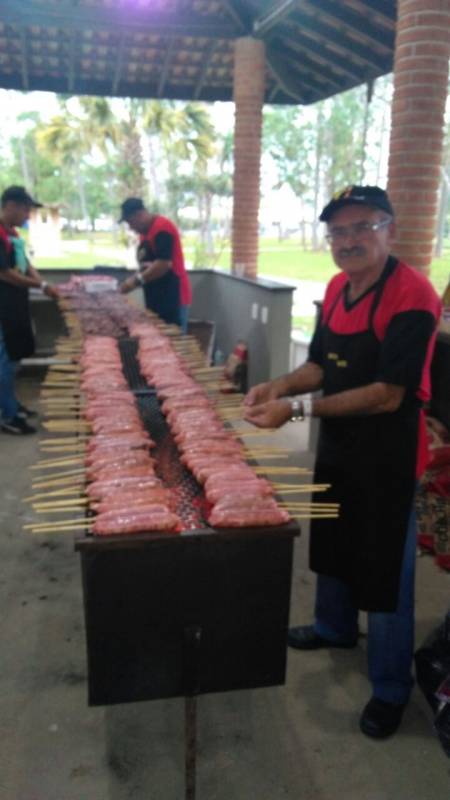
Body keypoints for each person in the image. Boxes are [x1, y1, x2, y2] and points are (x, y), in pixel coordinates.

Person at [244, 185, 441, 739]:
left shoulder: (413, 295)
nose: (349, 241)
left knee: (384, 569)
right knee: (332, 539)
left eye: (363, 227)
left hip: (389, 452)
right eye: (339, 231)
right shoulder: (336, 287)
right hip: (341, 444)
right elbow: (317, 366)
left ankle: (389, 687)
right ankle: (333, 627)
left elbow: (388, 394)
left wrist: (297, 411)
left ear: (390, 231)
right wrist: (278, 385)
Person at [0, 185, 59, 435]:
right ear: (11, 206)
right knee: (3, 361)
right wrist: (42, 285)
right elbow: (6, 274)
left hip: (14, 306)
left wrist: (43, 284)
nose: (28, 215)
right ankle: (8, 415)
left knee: (13, 360)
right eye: (25, 209)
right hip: (2, 309)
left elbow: (26, 265)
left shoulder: (12, 234)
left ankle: (12, 404)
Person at [118, 197, 192, 332]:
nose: (130, 227)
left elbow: (163, 264)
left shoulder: (162, 228)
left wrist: (134, 282)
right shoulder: (144, 234)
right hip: (156, 295)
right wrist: (141, 271)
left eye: (130, 222)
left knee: (173, 341)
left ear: (139, 215)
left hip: (173, 297)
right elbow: (150, 263)